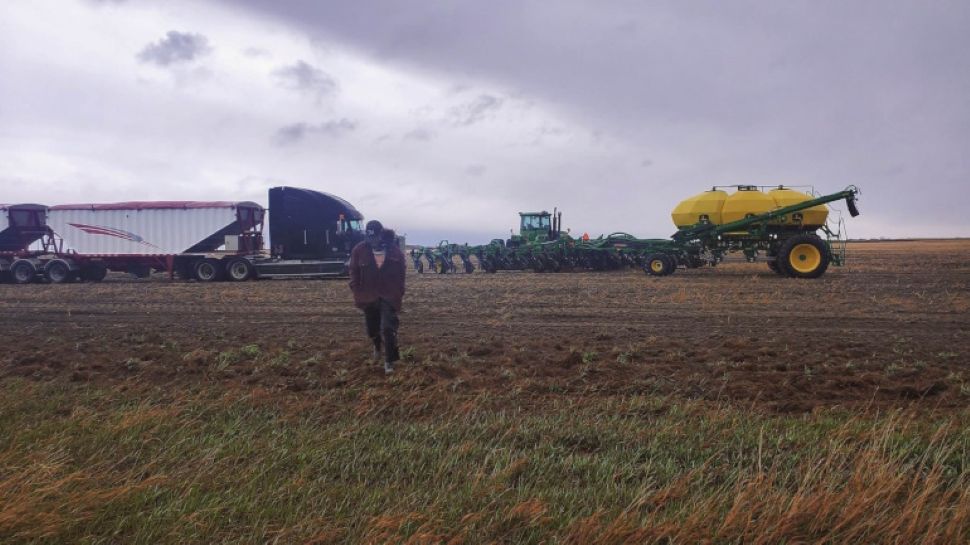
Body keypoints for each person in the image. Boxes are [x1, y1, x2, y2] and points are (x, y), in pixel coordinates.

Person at [349, 220, 406, 374]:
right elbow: (354, 271)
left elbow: (402, 273)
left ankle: (389, 361)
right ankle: (376, 345)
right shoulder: (359, 250)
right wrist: (356, 289)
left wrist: (399, 291)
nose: (373, 241)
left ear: (381, 235)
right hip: (368, 296)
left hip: (389, 295)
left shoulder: (394, 251)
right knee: (372, 329)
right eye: (370, 238)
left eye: (375, 237)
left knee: (388, 328)